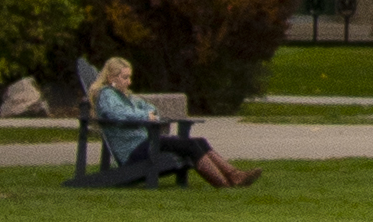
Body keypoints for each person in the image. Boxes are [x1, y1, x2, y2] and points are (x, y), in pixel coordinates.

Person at [89, 50, 258, 192]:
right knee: (189, 145)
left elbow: (149, 107)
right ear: (112, 77)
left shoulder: (124, 95)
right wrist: (144, 116)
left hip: (144, 143)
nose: (129, 82)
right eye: (125, 77)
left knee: (199, 141)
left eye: (129, 77)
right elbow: (117, 114)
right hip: (133, 151)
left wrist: (147, 113)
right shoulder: (107, 95)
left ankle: (234, 175)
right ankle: (225, 184)